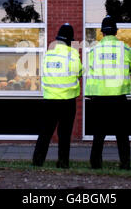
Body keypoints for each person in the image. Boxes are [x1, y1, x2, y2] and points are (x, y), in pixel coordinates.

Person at [85, 15, 131, 170]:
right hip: (119, 97)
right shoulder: (125, 49)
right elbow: (130, 70)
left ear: (102, 33)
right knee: (122, 134)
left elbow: (90, 71)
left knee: (98, 134)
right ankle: (125, 165)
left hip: (98, 98)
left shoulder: (94, 50)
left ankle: (95, 164)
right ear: (116, 32)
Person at [32, 23, 82, 169]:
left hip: (49, 100)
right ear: (70, 39)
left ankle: (37, 162)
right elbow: (79, 72)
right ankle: (63, 162)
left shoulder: (48, 54)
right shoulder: (72, 54)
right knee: (65, 134)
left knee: (45, 132)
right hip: (67, 100)